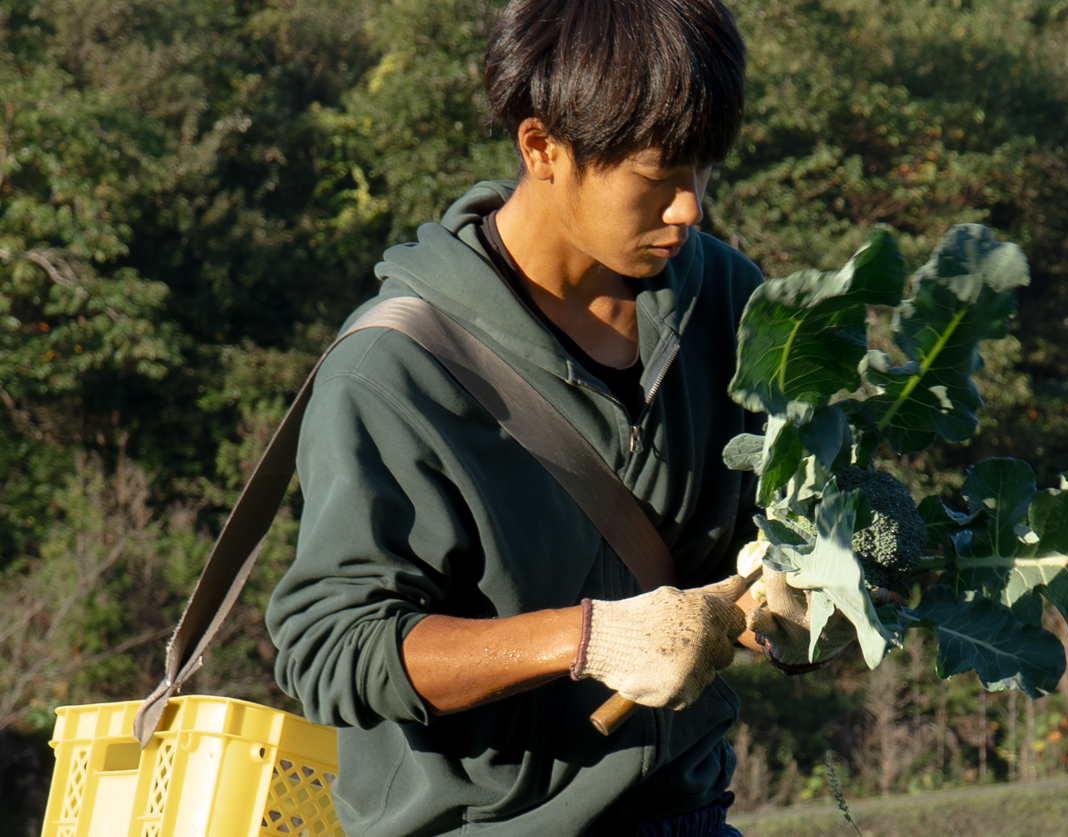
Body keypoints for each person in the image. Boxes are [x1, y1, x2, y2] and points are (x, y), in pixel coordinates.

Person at [266, 1, 848, 834]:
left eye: (703, 170)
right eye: (657, 176)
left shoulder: (726, 298)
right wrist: (589, 639)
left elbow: (769, 532)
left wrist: (797, 591)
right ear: (542, 147)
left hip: (690, 813)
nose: (688, 206)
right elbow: (331, 651)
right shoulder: (392, 371)